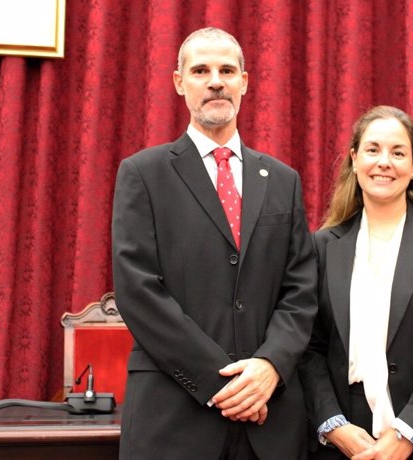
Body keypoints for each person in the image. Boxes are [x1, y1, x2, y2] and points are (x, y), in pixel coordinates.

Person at [112, 27, 317, 460]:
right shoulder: (143, 174)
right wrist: (223, 383)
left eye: (227, 70)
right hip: (174, 420)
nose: (216, 81)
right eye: (201, 70)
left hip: (272, 420)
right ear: (178, 82)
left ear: (245, 81)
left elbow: (301, 290)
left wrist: (269, 367)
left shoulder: (283, 180)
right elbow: (139, 291)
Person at [299, 105, 413, 459]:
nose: (384, 162)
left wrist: (407, 434)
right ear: (354, 160)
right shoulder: (323, 246)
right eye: (372, 150)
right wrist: (334, 425)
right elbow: (308, 348)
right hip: (348, 443)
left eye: (398, 152)